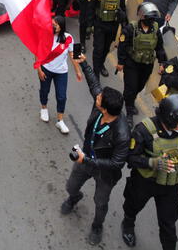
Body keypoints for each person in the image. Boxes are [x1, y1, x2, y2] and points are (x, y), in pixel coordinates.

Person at [121, 94, 178, 249]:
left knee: (168, 223)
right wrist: (152, 162)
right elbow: (130, 157)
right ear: (170, 119)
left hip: (170, 186)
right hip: (145, 182)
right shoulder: (144, 131)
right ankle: (128, 224)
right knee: (133, 206)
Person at [61, 55, 129, 245]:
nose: (96, 97)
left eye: (99, 98)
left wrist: (87, 161)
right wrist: (83, 62)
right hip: (85, 158)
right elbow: (93, 84)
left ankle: (97, 226)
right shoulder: (102, 108)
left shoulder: (123, 134)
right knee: (70, 187)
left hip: (104, 171)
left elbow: (116, 163)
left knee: (101, 203)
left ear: (106, 109)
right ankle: (75, 197)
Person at [117, 2, 167, 122]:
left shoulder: (155, 29)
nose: (152, 21)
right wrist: (121, 62)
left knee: (140, 86)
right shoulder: (131, 28)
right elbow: (122, 46)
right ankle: (129, 112)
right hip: (132, 64)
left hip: (147, 64)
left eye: (153, 18)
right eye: (149, 18)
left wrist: (162, 63)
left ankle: (128, 98)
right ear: (142, 16)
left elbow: (159, 47)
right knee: (131, 87)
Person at [37, 16, 82, 133]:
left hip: (61, 72)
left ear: (61, 27)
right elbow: (38, 52)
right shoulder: (46, 35)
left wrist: (78, 71)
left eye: (55, 25)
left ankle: (60, 120)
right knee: (44, 90)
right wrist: (39, 69)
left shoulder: (69, 38)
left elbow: (74, 55)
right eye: (52, 24)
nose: (53, 26)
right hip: (46, 69)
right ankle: (44, 108)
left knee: (62, 96)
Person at [91, 0, 125, 78]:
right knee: (98, 50)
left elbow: (123, 9)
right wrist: (90, 26)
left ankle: (100, 65)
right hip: (100, 25)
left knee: (106, 48)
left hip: (112, 26)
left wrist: (123, 19)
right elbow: (90, 10)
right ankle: (95, 73)